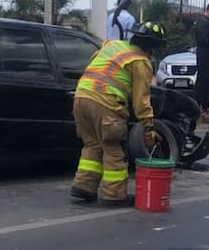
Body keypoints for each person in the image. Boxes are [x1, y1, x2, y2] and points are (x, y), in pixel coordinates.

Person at [69, 21, 166, 207]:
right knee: (114, 148)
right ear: (153, 46)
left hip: (81, 97)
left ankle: (83, 187)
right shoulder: (140, 61)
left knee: (92, 145)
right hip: (105, 102)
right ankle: (114, 195)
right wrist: (148, 127)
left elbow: (95, 64)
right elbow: (141, 101)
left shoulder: (112, 45)